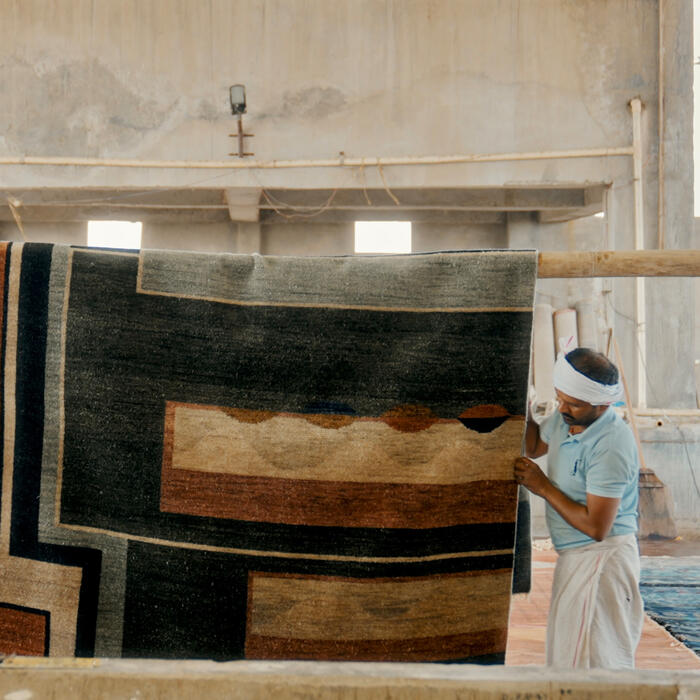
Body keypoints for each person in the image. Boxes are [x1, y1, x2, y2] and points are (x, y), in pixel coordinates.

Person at [514, 347, 644, 669]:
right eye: (560, 398)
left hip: (604, 562)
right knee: (568, 660)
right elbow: (532, 446)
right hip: (576, 558)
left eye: (573, 403)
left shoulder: (612, 444)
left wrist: (543, 487)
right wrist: (524, 405)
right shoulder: (564, 418)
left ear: (602, 404)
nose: (562, 408)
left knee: (597, 664)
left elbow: (596, 528)